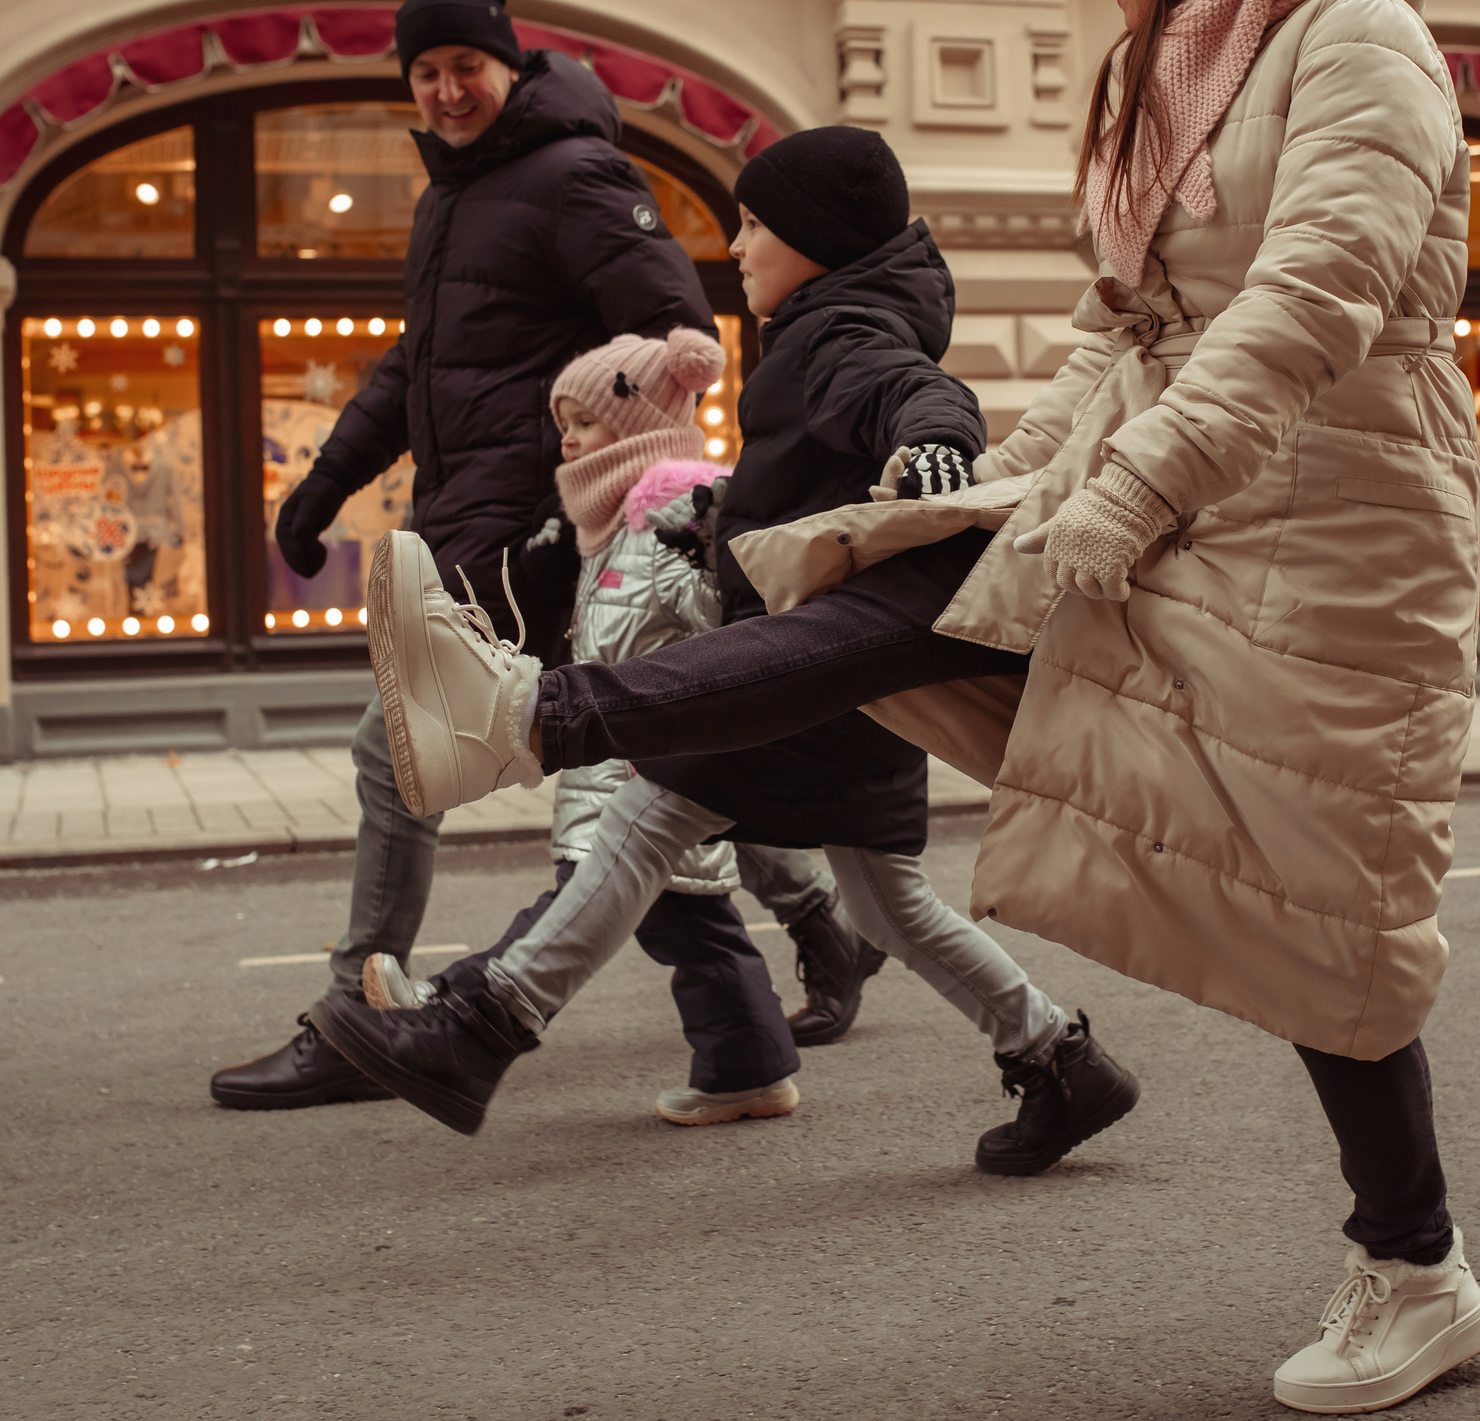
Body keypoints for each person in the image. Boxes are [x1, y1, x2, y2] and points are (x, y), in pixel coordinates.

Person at [308, 0, 1480, 1407]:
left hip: (1337, 530)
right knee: (897, 591)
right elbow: (1124, 321)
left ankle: (1416, 1267)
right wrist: (1011, 489)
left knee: (1326, 910)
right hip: (1190, 503)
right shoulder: (1186, 58)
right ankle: (528, 719)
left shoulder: (1356, 40)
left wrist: (1127, 488)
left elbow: (1316, 302)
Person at [311, 124, 1142, 1174]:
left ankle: (480, 1028)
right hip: (846, 682)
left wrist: (935, 443)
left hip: (807, 674)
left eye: (755, 225)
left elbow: (911, 393)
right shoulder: (827, 321)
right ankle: (1059, 1060)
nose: (736, 246)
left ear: (819, 239)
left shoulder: (840, 329)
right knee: (889, 899)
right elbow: (823, 464)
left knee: (643, 820)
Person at [209, 0, 875, 1107]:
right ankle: (818, 921)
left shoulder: (575, 176)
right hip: (479, 522)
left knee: (397, 746)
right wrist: (324, 482)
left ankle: (362, 1005)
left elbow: (674, 331)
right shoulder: (450, 200)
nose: (445, 90)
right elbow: (418, 366)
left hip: (542, 532)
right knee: (672, 742)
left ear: (507, 67)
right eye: (424, 75)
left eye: (464, 66)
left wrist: (581, 466)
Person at [360, 326, 804, 1124]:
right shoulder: (610, 515)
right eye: (562, 417)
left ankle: (455, 1002)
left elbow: (726, 620)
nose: (567, 435)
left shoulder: (681, 502)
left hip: (657, 753)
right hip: (627, 746)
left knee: (586, 899)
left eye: (586, 420)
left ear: (634, 423)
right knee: (690, 926)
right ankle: (751, 1064)